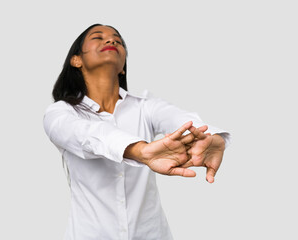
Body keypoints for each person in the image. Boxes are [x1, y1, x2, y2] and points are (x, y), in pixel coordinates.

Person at [43, 23, 231, 240]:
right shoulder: (60, 113)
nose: (111, 41)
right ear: (76, 60)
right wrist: (141, 151)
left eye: (118, 40)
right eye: (98, 37)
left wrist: (211, 138)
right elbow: (86, 134)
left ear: (122, 66)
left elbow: (178, 119)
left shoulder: (146, 106)